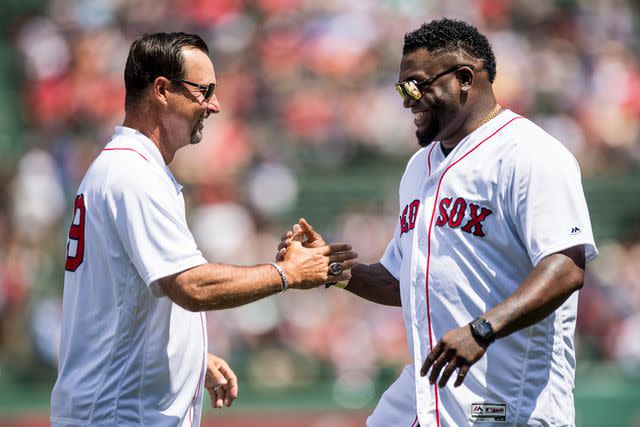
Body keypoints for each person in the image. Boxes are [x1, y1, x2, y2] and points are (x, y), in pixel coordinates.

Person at [278, 18, 598, 427]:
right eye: (401, 89)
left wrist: (483, 329)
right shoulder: (418, 167)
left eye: (416, 85)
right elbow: (402, 282)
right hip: (427, 388)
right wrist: (332, 269)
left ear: (464, 78)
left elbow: (565, 268)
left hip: (506, 396)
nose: (408, 100)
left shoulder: (530, 153)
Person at [50, 32, 357, 427]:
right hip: (117, 416)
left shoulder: (129, 168)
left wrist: (187, 357)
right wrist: (288, 273)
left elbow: (130, 297)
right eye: (203, 90)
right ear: (162, 89)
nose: (214, 104)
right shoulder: (132, 174)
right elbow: (191, 286)